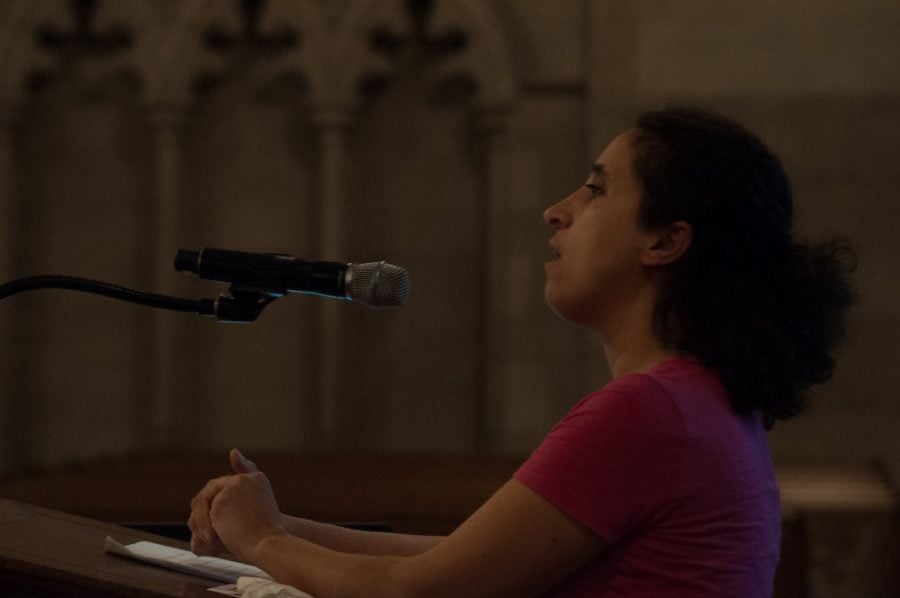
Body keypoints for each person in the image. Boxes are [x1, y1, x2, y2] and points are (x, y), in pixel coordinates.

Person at [188, 106, 855, 597]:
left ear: (664, 242)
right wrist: (277, 526)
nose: (556, 210)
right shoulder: (695, 401)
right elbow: (462, 558)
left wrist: (265, 542)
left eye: (595, 189)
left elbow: (420, 593)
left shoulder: (651, 413)